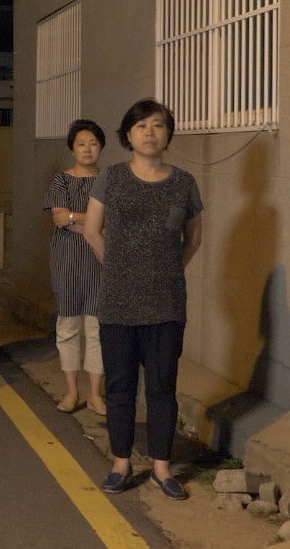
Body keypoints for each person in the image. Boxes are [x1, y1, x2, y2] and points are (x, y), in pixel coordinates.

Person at [83, 99, 203, 500]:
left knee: (162, 388)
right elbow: (92, 230)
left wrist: (168, 269)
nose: (150, 132)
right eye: (141, 126)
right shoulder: (112, 178)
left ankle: (162, 467)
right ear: (128, 135)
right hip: (118, 302)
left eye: (157, 125)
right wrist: (120, 268)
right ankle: (121, 463)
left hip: (166, 303)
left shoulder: (184, 182)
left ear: (168, 133)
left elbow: (194, 238)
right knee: (120, 388)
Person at [43, 118, 106, 415]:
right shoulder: (61, 180)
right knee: (68, 325)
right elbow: (59, 218)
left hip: (101, 259)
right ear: (72, 149)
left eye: (93, 143)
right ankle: (71, 392)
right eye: (81, 144)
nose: (87, 148)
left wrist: (75, 218)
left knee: (97, 327)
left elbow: (113, 218)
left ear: (101, 147)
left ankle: (95, 394)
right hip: (67, 259)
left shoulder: (109, 180)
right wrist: (96, 223)